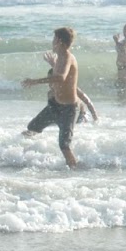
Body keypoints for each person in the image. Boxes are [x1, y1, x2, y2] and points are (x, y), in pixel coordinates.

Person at [22, 27, 82, 169]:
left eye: (54, 38)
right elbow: (61, 72)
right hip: (55, 106)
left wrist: (35, 81)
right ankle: (19, 155)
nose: (52, 41)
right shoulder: (60, 58)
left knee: (64, 145)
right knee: (32, 127)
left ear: (59, 41)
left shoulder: (67, 57)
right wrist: (53, 64)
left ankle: (75, 171)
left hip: (68, 109)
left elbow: (61, 78)